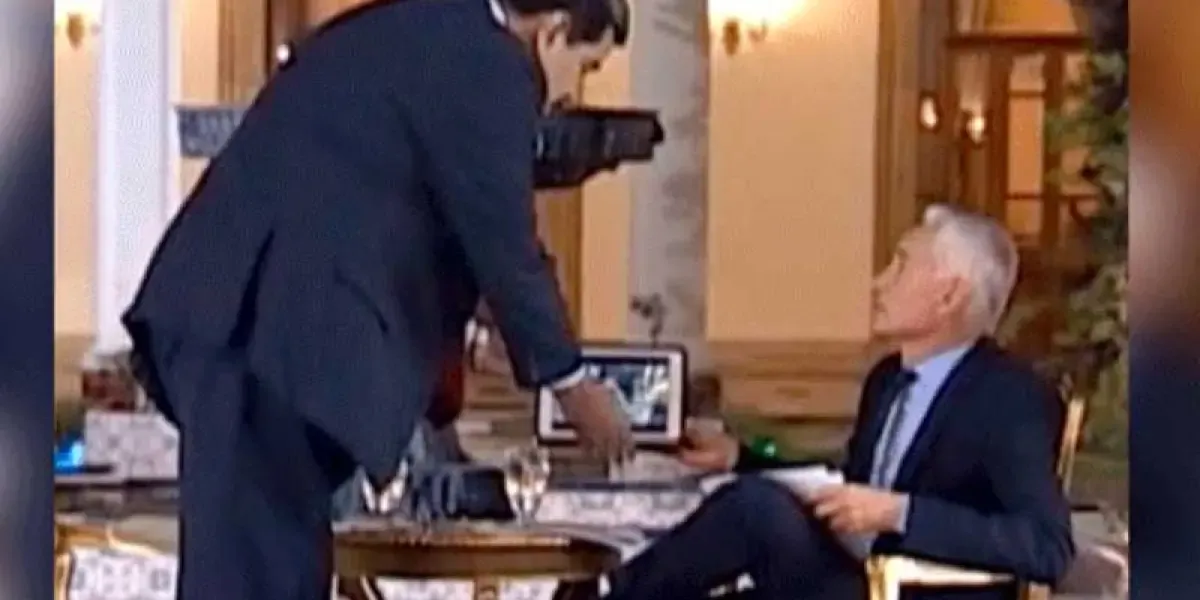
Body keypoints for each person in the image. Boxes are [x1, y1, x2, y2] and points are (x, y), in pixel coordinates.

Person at [121, 1, 634, 598]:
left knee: (263, 573)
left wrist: (473, 333)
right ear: (554, 31)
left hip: (246, 320)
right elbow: (506, 244)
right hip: (269, 334)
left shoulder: (423, 27)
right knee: (256, 579)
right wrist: (572, 384)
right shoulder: (493, 65)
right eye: (586, 67)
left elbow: (389, 202)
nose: (570, 94)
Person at [600, 205, 1076, 600]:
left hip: (915, 590)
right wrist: (739, 457)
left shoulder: (1009, 398)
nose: (878, 283)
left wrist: (899, 512)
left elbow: (1045, 546)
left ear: (948, 295)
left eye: (899, 266)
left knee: (755, 508)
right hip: (855, 576)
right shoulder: (888, 379)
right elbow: (847, 490)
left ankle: (599, 595)